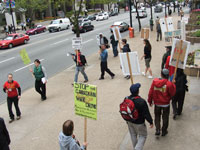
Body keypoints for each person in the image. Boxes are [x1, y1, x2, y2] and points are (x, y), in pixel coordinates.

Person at [148, 69, 176, 136]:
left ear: (161, 75)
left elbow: (150, 92)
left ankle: (157, 129)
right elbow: (173, 93)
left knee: (157, 116)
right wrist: (173, 84)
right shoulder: (169, 84)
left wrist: (150, 101)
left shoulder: (154, 82)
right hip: (166, 104)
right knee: (165, 117)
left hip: (157, 104)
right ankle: (164, 131)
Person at [126, 83, 153, 150]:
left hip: (129, 121)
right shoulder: (141, 101)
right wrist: (151, 122)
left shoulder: (126, 99)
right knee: (143, 136)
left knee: (133, 134)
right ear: (138, 91)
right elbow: (146, 113)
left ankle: (136, 147)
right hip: (139, 122)